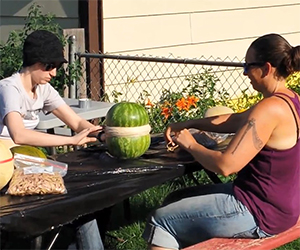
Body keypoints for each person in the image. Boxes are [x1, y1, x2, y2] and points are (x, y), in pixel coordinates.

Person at [142, 33, 300, 250]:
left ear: (266, 68)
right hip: (277, 207)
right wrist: (187, 123)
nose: (245, 73)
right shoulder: (289, 99)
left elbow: (226, 166)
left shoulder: (269, 109)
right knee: (175, 198)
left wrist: (190, 143)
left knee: (161, 221)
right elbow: (236, 119)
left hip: (259, 212)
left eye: (247, 66)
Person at [0, 30, 104, 250]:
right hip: (5, 169)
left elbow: (75, 122)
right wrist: (72, 141)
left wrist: (101, 134)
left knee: (82, 204)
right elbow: (18, 134)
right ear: (36, 63)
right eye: (51, 66)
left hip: (27, 164)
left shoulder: (43, 89)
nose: (54, 73)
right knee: (74, 204)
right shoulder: (9, 89)